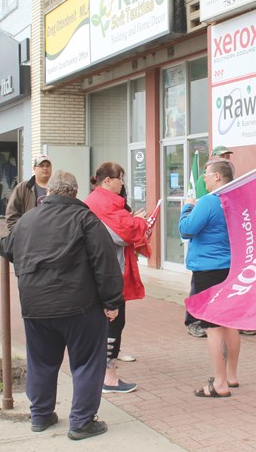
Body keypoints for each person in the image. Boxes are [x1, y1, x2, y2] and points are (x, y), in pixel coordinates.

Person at [0, 170, 123, 440]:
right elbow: (105, 264)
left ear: (49, 192)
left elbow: (6, 248)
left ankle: (41, 415)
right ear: (74, 193)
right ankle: (81, 422)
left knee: (41, 362)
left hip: (35, 305)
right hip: (79, 306)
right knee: (87, 363)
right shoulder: (85, 219)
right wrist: (112, 301)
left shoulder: (27, 220)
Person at [84, 162, 150, 394]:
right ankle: (109, 378)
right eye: (119, 178)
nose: (122, 182)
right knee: (113, 322)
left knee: (107, 323)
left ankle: (102, 374)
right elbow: (123, 233)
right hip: (109, 274)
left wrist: (132, 220)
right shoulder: (103, 202)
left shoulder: (95, 201)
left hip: (100, 273)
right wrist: (139, 222)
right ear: (106, 181)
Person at [179, 160, 239, 398]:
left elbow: (186, 229)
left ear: (216, 176)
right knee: (231, 323)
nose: (203, 178)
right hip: (229, 268)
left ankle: (220, 383)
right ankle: (231, 375)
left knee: (213, 328)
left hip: (207, 270)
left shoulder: (208, 202)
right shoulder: (235, 200)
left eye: (206, 174)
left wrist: (187, 207)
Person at [5, 154, 52, 232]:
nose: (45, 168)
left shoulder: (58, 188)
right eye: (41, 166)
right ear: (34, 168)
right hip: (28, 235)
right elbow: (11, 214)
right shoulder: (23, 188)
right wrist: (20, 232)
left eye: (48, 165)